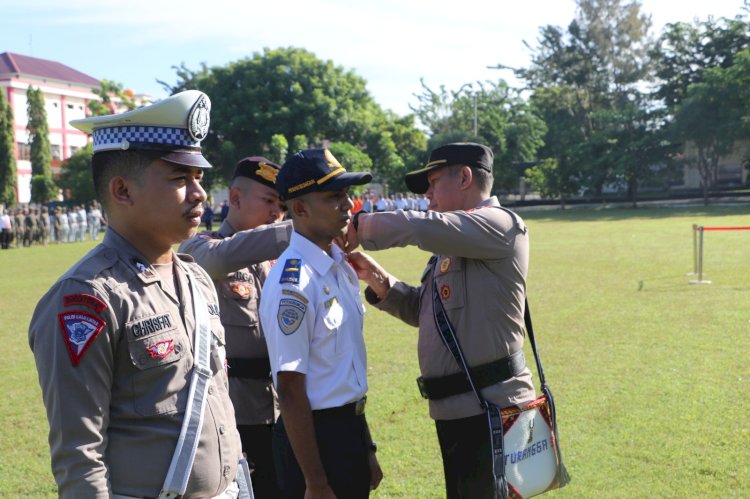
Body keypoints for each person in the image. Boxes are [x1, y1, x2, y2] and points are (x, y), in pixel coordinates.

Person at [28, 90, 245, 498]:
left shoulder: (196, 279)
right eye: (180, 179)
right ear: (123, 191)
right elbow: (79, 455)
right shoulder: (89, 298)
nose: (199, 194)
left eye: (198, 178)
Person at [345, 142, 535, 498]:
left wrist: (360, 224)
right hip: (460, 412)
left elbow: (420, 226)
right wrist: (380, 282)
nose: (427, 196)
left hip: (494, 412)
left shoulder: (501, 224)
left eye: (432, 184)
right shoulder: (453, 244)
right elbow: (426, 310)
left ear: (464, 177)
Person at [259, 148, 383, 499]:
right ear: (299, 209)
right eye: (334, 197)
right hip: (315, 443)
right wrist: (315, 482)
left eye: (346, 195)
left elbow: (345, 372)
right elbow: (291, 390)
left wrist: (366, 447)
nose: (348, 205)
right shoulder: (292, 283)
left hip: (349, 431)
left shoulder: (340, 264)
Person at [180, 156, 293, 498]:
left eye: (284, 205)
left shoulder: (280, 259)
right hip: (235, 415)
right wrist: (302, 226)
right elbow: (219, 258)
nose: (277, 212)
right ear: (235, 199)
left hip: (284, 411)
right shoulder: (200, 248)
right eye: (268, 201)